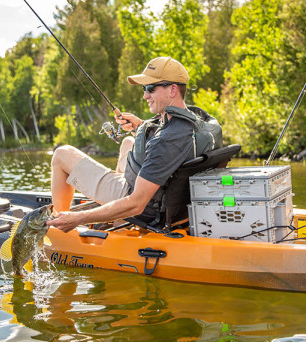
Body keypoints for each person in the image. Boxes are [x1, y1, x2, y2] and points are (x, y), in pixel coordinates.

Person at [46, 57, 199, 232]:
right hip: (158, 193)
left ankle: (59, 224)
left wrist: (77, 218)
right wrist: (140, 128)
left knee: (62, 154)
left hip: (141, 202)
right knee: (128, 141)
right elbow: (164, 143)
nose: (145, 95)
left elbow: (136, 204)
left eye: (150, 88)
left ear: (172, 90)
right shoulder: (189, 121)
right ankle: (119, 225)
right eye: (144, 88)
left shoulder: (166, 141)